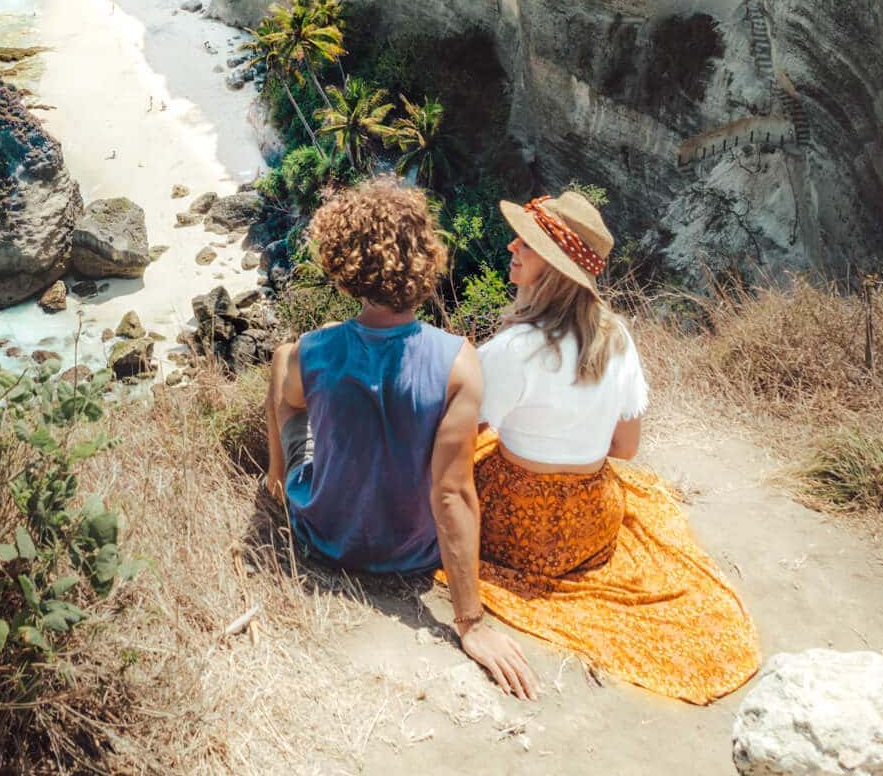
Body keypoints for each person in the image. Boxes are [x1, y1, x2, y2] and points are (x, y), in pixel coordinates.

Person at [463, 189, 760, 704]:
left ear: (553, 269)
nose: (512, 246)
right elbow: (625, 449)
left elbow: (462, 440)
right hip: (591, 528)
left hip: (515, 529)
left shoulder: (511, 350)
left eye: (527, 243)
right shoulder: (617, 338)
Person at [265, 176, 538, 699]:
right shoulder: (459, 361)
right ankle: (284, 479)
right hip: (413, 551)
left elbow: (291, 402)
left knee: (282, 361)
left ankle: (278, 483)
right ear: (424, 262)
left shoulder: (314, 350)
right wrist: (470, 622)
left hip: (324, 536)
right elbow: (453, 492)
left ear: (344, 269)